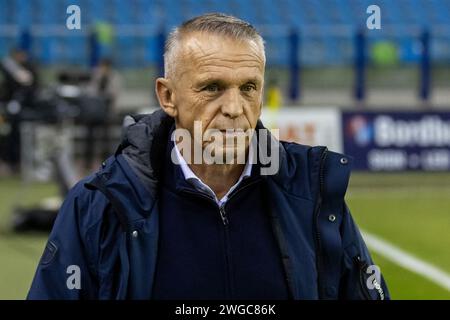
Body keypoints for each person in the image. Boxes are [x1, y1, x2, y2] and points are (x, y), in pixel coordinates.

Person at [28, 13, 389, 300]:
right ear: (167, 96)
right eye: (211, 87)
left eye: (249, 88)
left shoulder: (313, 193)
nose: (233, 108)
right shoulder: (99, 203)